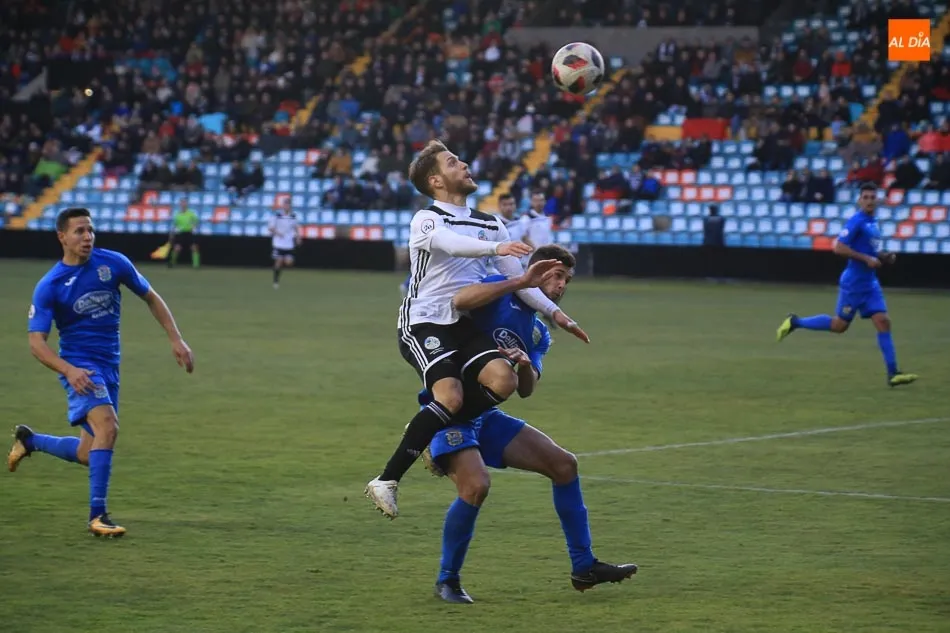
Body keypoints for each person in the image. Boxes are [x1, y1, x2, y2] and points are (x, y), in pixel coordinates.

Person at [365, 140, 590, 520]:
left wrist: (559, 315)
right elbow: (452, 245)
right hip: (424, 321)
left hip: (461, 322)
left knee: (503, 379)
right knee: (450, 395)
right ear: (436, 180)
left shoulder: (491, 223)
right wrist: (495, 250)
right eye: (453, 162)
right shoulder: (427, 219)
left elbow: (522, 283)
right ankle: (387, 479)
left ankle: (432, 422)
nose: (464, 165)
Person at [421, 245, 637, 603]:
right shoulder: (497, 290)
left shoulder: (538, 332)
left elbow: (526, 390)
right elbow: (457, 302)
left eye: (567, 280)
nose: (562, 285)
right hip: (450, 411)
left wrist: (523, 365)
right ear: (535, 269)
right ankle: (448, 580)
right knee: (476, 486)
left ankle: (584, 566)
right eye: (557, 275)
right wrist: (513, 281)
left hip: (486, 417)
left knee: (564, 465)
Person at [8, 207, 195, 537]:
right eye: (79, 231)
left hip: (110, 366)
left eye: (90, 230)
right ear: (62, 237)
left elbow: (151, 297)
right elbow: (36, 343)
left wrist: (175, 338)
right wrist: (69, 370)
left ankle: (30, 440)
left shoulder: (113, 263)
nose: (87, 237)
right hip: (81, 367)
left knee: (87, 453)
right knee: (108, 426)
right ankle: (98, 516)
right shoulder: (50, 285)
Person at [776, 183, 918, 387]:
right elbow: (839, 248)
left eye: (872, 197)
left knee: (883, 321)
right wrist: (866, 259)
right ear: (859, 200)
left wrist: (883, 256)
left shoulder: (873, 222)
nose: (869, 201)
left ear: (877, 200)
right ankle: (795, 322)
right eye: (865, 197)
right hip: (854, 284)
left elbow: (870, 250)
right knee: (839, 326)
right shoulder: (856, 221)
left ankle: (893, 373)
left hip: (870, 283)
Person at [268, 199, 300, 289]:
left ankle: (281, 269)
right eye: (285, 204)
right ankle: (275, 282)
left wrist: (298, 237)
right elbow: (271, 228)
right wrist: (278, 233)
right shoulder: (277, 215)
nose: (286, 206)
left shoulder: (293, 216)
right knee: (278, 261)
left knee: (289, 262)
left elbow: (295, 227)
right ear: (282, 206)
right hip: (278, 243)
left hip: (289, 244)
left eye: (288, 205)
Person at [169, 198, 200, 269]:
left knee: (194, 248)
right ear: (180, 204)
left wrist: (194, 226)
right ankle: (171, 263)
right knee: (177, 248)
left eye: (184, 203)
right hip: (181, 233)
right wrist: (171, 234)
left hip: (189, 232)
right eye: (182, 203)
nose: (183, 204)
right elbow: (174, 225)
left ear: (187, 204)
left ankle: (196, 265)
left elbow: (196, 222)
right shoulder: (177, 214)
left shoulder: (191, 213)